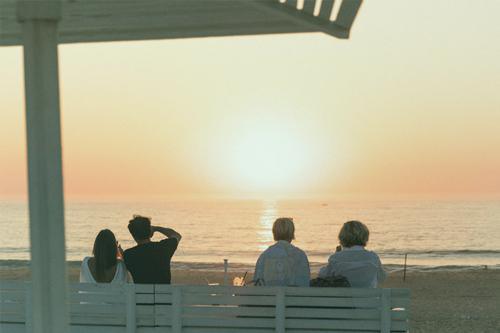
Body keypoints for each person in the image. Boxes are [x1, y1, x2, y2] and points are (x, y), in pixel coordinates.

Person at [318, 220, 386, 288]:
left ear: (342, 237)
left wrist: (337, 255)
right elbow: (382, 278)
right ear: (365, 237)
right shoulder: (372, 257)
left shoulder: (336, 258)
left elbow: (322, 275)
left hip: (343, 297)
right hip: (368, 298)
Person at [123, 215, 181, 284]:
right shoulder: (163, 248)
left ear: (133, 235)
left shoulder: (128, 255)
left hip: (142, 294)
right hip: (164, 293)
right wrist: (156, 228)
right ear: (150, 232)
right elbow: (176, 235)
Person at [253, 217, 310, 286]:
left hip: (270, 296)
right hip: (294, 296)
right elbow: (305, 283)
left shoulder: (264, 256)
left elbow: (257, 282)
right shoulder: (300, 255)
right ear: (292, 233)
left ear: (274, 233)